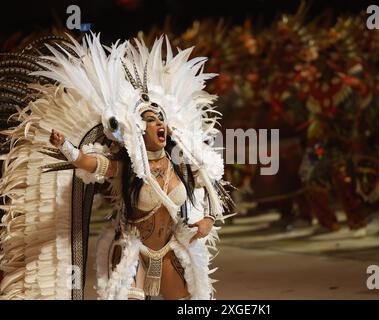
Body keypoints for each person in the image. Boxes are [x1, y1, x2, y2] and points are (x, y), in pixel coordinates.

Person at [0, 34, 233, 300]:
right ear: (137, 127)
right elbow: (87, 163)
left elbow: (214, 187)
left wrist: (208, 219)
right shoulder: (127, 167)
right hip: (133, 253)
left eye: (161, 119)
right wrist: (66, 147)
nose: (158, 124)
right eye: (150, 119)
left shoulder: (181, 163)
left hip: (171, 250)